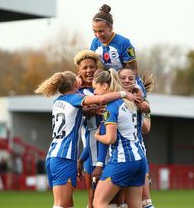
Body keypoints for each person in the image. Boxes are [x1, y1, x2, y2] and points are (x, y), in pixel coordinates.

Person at [34, 70, 136, 208]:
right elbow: (102, 99)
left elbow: (79, 110)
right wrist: (124, 93)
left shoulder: (58, 101)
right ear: (75, 84)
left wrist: (92, 109)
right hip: (64, 156)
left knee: (68, 204)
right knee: (61, 205)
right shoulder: (73, 98)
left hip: (53, 156)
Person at [92, 69, 147, 208]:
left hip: (123, 159)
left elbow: (110, 138)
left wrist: (97, 136)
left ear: (105, 86)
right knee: (135, 205)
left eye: (95, 88)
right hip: (140, 160)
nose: (94, 93)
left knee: (99, 202)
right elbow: (146, 112)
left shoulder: (111, 106)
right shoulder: (130, 102)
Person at [74, 50, 108, 208]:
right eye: (85, 68)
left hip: (111, 147)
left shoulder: (106, 87)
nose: (89, 71)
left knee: (115, 196)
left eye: (92, 67)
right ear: (78, 71)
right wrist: (90, 109)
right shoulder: (76, 92)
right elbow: (73, 111)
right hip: (90, 149)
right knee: (92, 197)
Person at [90, 4, 147, 97]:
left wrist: (126, 89)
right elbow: (91, 66)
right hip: (110, 80)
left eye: (101, 31)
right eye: (94, 31)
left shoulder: (124, 43)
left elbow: (133, 70)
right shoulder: (95, 43)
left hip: (126, 80)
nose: (98, 35)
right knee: (97, 73)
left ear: (111, 28)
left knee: (143, 105)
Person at [119, 67, 155, 208]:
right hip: (120, 152)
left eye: (131, 78)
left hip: (135, 151)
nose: (127, 81)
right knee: (124, 200)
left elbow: (146, 128)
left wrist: (139, 107)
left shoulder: (140, 101)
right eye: (123, 78)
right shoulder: (114, 96)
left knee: (143, 200)